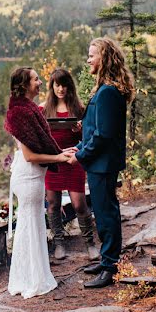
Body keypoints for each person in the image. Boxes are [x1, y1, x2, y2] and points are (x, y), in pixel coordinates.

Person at [3, 67, 75, 298]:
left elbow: (41, 144)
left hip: (33, 175)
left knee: (32, 224)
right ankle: (30, 279)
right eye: (36, 79)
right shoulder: (20, 114)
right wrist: (58, 157)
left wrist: (61, 150)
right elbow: (31, 155)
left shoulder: (28, 109)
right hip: (28, 176)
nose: (41, 82)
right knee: (29, 225)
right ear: (24, 85)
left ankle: (32, 275)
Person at [75, 37, 134, 289]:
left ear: (105, 58)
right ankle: (106, 259)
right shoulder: (105, 89)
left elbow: (103, 134)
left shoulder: (108, 92)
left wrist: (81, 155)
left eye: (92, 55)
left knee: (106, 213)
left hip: (103, 163)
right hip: (99, 163)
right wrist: (78, 147)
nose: (88, 59)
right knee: (103, 211)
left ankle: (110, 265)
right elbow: (94, 130)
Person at [40, 68, 100, 261]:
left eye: (64, 84)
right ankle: (59, 242)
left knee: (79, 203)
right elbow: (39, 137)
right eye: (57, 85)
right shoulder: (43, 109)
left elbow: (89, 137)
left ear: (70, 86)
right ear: (52, 86)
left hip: (74, 160)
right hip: (54, 161)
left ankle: (90, 243)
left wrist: (79, 130)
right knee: (53, 204)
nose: (61, 89)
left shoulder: (79, 108)